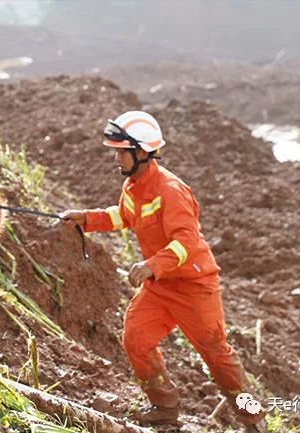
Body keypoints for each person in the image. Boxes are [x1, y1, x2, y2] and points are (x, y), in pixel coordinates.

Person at [60, 111, 266, 432]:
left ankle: (253, 418)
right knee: (136, 338)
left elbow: (186, 239)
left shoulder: (171, 190)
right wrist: (85, 219)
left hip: (194, 285)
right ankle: (163, 406)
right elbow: (123, 217)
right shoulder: (132, 186)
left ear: (141, 152)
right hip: (161, 286)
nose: (116, 158)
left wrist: (150, 265)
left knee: (216, 355)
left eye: (121, 152)